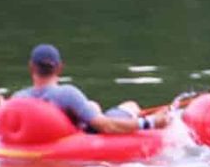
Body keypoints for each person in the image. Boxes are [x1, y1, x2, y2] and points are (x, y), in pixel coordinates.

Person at [11, 44, 170, 134]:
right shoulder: (66, 94)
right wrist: (149, 122)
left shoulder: (18, 99)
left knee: (93, 106)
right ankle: (147, 117)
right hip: (83, 138)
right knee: (131, 106)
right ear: (59, 68)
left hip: (39, 145)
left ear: (31, 67)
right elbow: (106, 126)